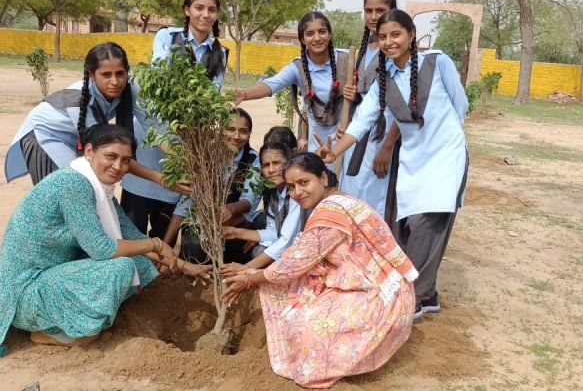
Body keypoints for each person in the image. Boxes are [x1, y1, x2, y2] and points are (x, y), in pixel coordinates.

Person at [0, 125, 211, 369]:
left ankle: (77, 315)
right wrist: (155, 243)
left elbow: (130, 235)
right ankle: (53, 332)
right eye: (111, 156)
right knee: (120, 267)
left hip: (46, 280)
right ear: (89, 151)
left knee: (139, 261)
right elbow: (102, 249)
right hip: (22, 297)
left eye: (125, 160)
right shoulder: (73, 185)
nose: (118, 166)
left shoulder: (100, 190)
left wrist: (186, 267)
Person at [314, 9, 469, 320]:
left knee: (428, 224)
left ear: (411, 35)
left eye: (395, 34)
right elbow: (361, 122)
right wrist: (334, 153)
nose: (388, 42)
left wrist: (448, 142)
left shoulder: (438, 62)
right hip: (413, 161)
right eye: (382, 37)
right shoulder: (384, 79)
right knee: (408, 226)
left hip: (445, 157)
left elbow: (460, 104)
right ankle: (429, 293)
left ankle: (417, 296)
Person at [221, 153, 416, 388]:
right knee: (301, 300)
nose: (297, 193)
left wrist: (250, 279)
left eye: (304, 183)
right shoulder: (339, 201)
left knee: (306, 331)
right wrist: (250, 274)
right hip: (380, 288)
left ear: (323, 178)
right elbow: (297, 257)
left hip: (381, 299)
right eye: (291, 187)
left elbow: (294, 263)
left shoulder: (330, 212)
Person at [4, 42, 186, 195]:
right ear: (92, 74)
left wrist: (186, 159)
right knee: (66, 190)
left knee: (91, 191)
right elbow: (108, 150)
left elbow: (157, 129)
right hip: (45, 136)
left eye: (120, 73)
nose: (115, 81)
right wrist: (159, 178)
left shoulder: (132, 90)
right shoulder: (78, 98)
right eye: (106, 75)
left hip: (78, 138)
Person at [121, 0, 228, 239]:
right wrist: (181, 110)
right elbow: (161, 74)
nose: (205, 15)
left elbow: (211, 96)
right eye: (199, 8)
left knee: (165, 212)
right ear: (187, 10)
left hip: (184, 138)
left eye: (211, 10)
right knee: (134, 218)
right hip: (153, 128)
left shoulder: (220, 53)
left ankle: (158, 268)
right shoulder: (167, 36)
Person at [235, 12, 348, 167]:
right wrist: (244, 94)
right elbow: (272, 84)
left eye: (322, 31)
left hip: (349, 143)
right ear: (302, 39)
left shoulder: (347, 60)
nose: (317, 38)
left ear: (329, 34)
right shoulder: (298, 67)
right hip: (319, 150)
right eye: (310, 34)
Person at [164, 108, 262, 264]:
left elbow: (249, 199)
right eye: (230, 129)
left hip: (235, 222)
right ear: (220, 130)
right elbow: (187, 200)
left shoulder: (253, 159)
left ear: (249, 134)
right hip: (203, 222)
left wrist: (231, 209)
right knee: (196, 254)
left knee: (244, 246)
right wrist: (166, 244)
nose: (236, 136)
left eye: (243, 131)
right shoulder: (205, 156)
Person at [340, 0, 398, 219]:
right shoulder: (365, 50)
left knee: (375, 199)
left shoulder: (395, 50)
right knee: (352, 192)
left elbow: (404, 108)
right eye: (368, 10)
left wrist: (387, 146)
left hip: (384, 134)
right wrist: (352, 96)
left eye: (380, 10)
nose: (374, 16)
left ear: (392, 10)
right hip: (359, 132)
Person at [220, 141, 302, 272]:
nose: (271, 170)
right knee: (258, 251)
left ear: (290, 162)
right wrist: (234, 232)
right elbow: (274, 232)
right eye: (266, 165)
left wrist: (246, 268)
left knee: (261, 255)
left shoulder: (297, 193)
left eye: (277, 163)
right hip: (290, 248)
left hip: (303, 251)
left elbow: (286, 240)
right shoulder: (274, 193)